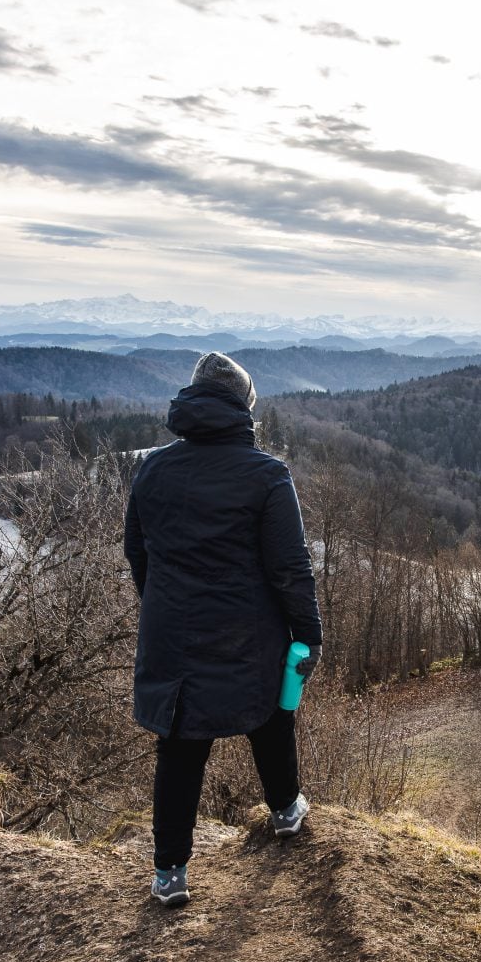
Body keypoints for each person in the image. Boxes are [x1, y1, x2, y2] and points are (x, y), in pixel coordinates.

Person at [124, 352, 323, 907]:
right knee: (269, 714)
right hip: (248, 633)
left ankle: (169, 874)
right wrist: (309, 632)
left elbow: (137, 552)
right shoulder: (265, 474)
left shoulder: (152, 468)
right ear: (244, 406)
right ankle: (285, 812)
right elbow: (289, 567)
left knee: (182, 747)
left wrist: (163, 606)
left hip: (172, 634)